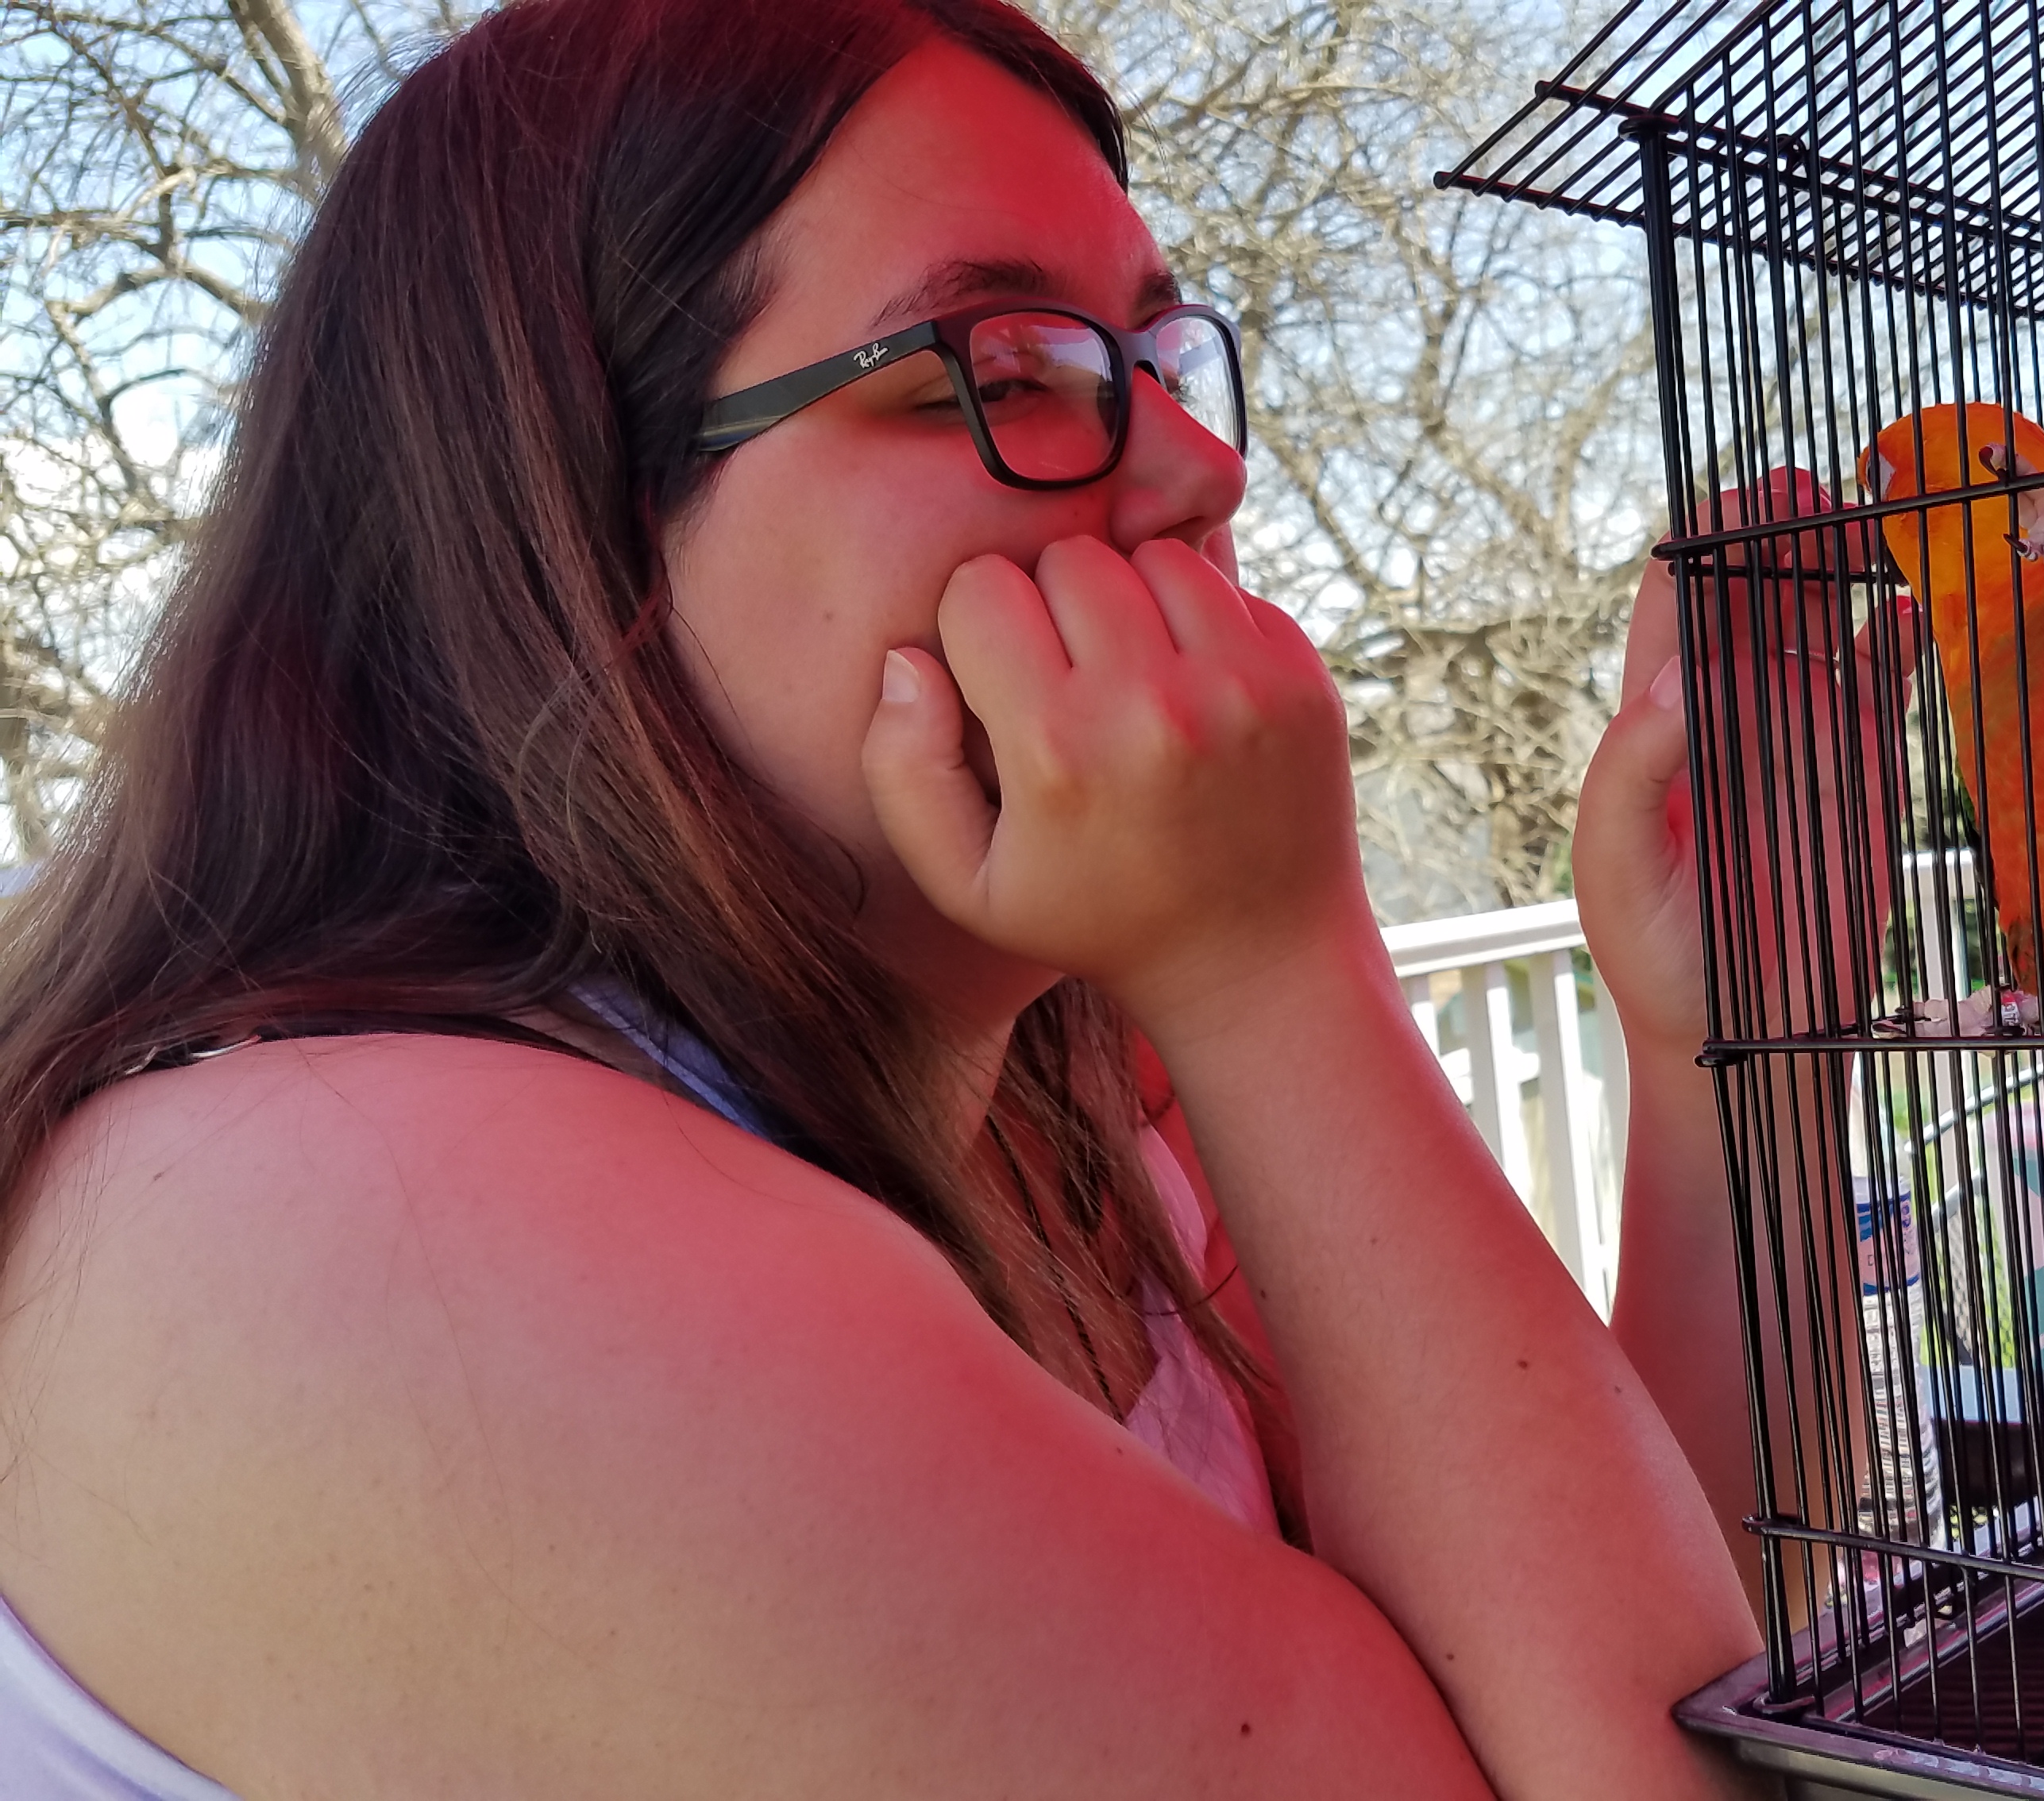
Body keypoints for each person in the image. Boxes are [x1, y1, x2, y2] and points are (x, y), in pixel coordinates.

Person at [0, 1, 1900, 1793]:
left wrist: (1735, 1044)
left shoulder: (1086, 1096)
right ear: (570, 523)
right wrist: (1272, 964)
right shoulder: (366, 1221)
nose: (1203, 469)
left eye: (1152, 360)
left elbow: (1665, 1680)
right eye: (1005, 373)